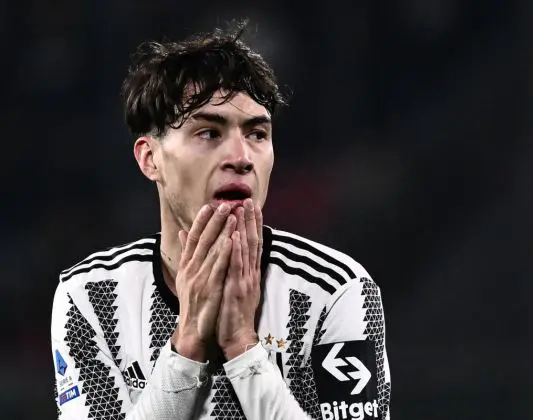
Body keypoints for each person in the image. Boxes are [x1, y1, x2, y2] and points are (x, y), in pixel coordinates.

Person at [50, 21, 391, 420]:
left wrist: (244, 349)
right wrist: (188, 343)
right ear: (150, 158)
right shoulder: (92, 296)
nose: (241, 157)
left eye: (257, 134)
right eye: (209, 133)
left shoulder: (336, 291)